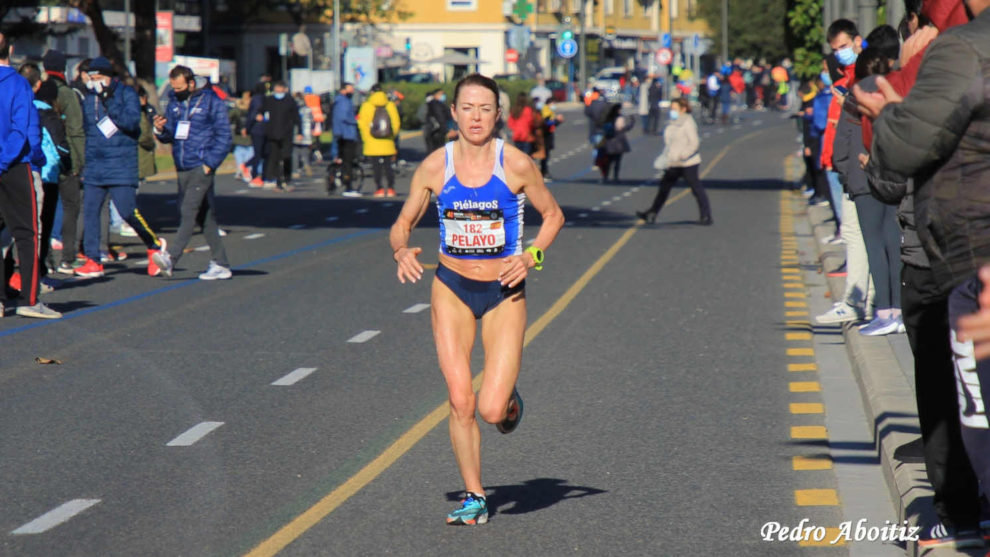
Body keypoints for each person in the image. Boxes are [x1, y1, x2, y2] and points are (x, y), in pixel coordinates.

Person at [389, 73, 564, 526]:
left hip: (504, 292)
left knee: (490, 409)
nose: (476, 117)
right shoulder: (434, 166)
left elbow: (553, 216)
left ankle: (508, 400)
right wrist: (400, 248)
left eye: (485, 108)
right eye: (467, 107)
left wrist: (531, 257)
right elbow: (403, 221)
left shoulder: (517, 165)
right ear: (453, 112)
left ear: (498, 115)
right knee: (461, 400)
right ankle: (475, 495)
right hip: (451, 288)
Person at [855, 0, 990, 546]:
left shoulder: (952, 54)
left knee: (953, 396)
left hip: (953, 255)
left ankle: (956, 512)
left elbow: (890, 174)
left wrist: (887, 114)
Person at [74, 56, 171, 279]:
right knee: (90, 212)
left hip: (121, 163)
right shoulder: (90, 98)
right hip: (95, 165)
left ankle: (153, 244)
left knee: (127, 210)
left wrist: (109, 100)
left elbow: (130, 123)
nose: (93, 82)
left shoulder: (126, 94)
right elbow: (87, 130)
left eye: (97, 77)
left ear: (108, 77)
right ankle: (92, 260)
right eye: (90, 78)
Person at [151, 65, 233, 281]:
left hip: (201, 165)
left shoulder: (211, 101)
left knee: (188, 210)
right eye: (174, 88)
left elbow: (225, 135)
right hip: (182, 165)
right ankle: (221, 263)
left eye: (180, 87)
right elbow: (171, 134)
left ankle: (171, 258)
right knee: (203, 216)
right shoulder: (175, 102)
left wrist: (210, 163)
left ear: (191, 83)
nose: (176, 91)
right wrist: (160, 130)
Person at [0, 35, 60, 318]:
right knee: (27, 233)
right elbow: (22, 129)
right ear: (10, 50)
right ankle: (29, 298)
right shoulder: (18, 84)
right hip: (14, 164)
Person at [41, 49, 85, 276]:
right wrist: (78, 163)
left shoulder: (39, 89)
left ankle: (44, 259)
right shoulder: (66, 93)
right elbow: (76, 130)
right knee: (71, 206)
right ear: (62, 67)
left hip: (42, 159)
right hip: (65, 157)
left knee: (44, 211)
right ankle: (68, 257)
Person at [635, 98, 711, 225]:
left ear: (683, 109)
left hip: (688, 163)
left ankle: (706, 216)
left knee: (696, 189)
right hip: (673, 162)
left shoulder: (688, 123)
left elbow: (694, 143)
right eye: (671, 108)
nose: (672, 111)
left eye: (675, 109)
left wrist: (683, 155)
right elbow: (670, 143)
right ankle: (652, 213)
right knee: (664, 188)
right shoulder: (672, 122)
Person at [357, 83, 400, 198]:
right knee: (388, 166)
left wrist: (366, 139)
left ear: (372, 93)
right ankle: (391, 189)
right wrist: (391, 136)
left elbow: (362, 124)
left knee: (376, 167)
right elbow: (396, 123)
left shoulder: (366, 106)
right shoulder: (390, 105)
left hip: (372, 141)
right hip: (387, 141)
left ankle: (379, 188)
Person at [261, 81, 300, 191]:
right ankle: (277, 180)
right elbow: (262, 111)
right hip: (273, 134)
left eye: (280, 89)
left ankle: (287, 179)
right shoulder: (269, 100)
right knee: (275, 158)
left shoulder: (290, 101)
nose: (278, 92)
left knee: (287, 156)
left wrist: (300, 131)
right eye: (276, 89)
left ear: (284, 89)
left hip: (286, 133)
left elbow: (296, 116)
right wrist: (259, 116)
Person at [331, 82, 360, 196]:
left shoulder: (339, 101)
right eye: (350, 89)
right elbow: (343, 117)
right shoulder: (343, 102)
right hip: (346, 134)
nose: (352, 92)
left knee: (342, 159)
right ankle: (348, 186)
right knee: (348, 161)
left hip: (341, 133)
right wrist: (355, 121)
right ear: (344, 90)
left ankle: (340, 182)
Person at [598, 103, 633, 183]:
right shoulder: (619, 118)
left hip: (609, 142)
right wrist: (631, 121)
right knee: (617, 161)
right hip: (619, 142)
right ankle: (615, 177)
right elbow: (622, 128)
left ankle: (605, 177)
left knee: (608, 161)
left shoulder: (607, 118)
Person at [539, 97, 563, 181]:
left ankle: (544, 171)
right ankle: (543, 172)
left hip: (548, 134)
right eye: (553, 103)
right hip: (546, 135)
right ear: (549, 103)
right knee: (545, 155)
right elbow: (547, 123)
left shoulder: (548, 110)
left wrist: (557, 122)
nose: (554, 105)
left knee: (546, 154)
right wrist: (557, 121)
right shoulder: (546, 110)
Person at [424, 89, 455, 154]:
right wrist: (446, 131)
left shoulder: (436, 103)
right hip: (436, 131)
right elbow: (440, 118)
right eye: (441, 94)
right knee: (437, 151)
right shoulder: (435, 104)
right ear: (435, 95)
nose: (443, 96)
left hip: (434, 130)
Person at [292, 92, 314, 179]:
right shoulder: (308, 109)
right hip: (306, 132)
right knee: (305, 151)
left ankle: (295, 170)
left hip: (296, 132)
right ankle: (306, 164)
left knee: (295, 152)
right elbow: (312, 121)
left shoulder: (294, 108)